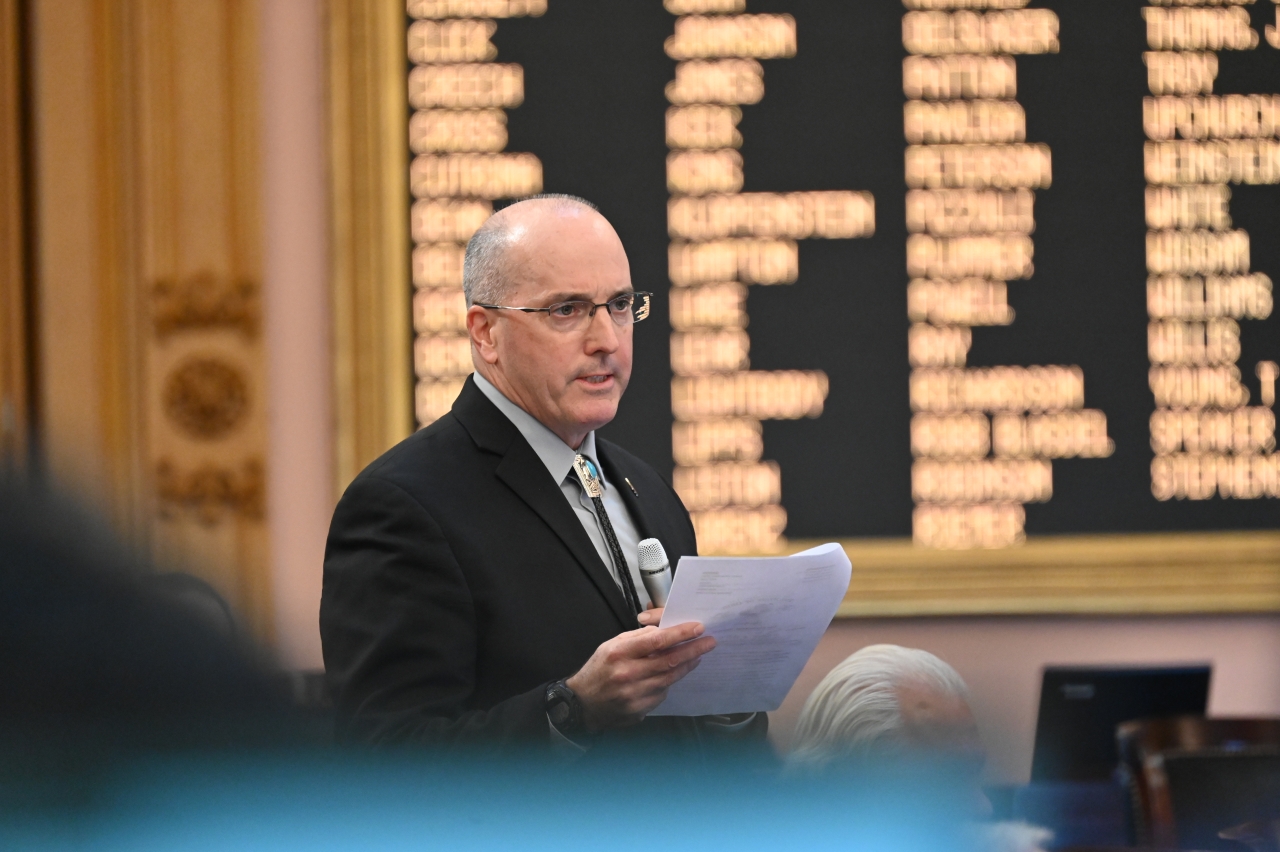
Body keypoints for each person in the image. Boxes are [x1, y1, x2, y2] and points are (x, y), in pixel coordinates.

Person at [320, 195, 765, 752]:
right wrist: (571, 711)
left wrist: (728, 702)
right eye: (567, 310)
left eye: (620, 304)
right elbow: (382, 757)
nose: (606, 339)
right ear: (485, 333)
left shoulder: (646, 488)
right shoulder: (403, 506)